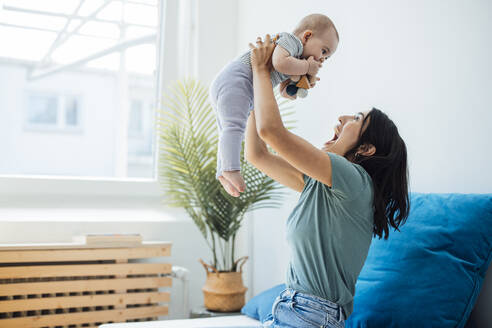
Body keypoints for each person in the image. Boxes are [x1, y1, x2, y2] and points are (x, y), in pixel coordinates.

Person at [245, 35, 410, 328]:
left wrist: (262, 71)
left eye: (356, 118)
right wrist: (258, 86)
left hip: (309, 315)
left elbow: (271, 132)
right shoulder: (324, 187)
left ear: (366, 149)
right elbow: (257, 154)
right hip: (292, 309)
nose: (341, 118)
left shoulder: (354, 180)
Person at [209, 14, 339, 197]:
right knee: (233, 127)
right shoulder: (291, 41)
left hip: (238, 86)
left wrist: (296, 87)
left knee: (227, 129)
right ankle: (231, 169)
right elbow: (279, 63)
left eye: (327, 57)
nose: (323, 59)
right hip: (238, 80)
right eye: (324, 51)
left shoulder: (295, 59)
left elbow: (283, 90)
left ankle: (223, 171)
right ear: (307, 36)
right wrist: (307, 68)